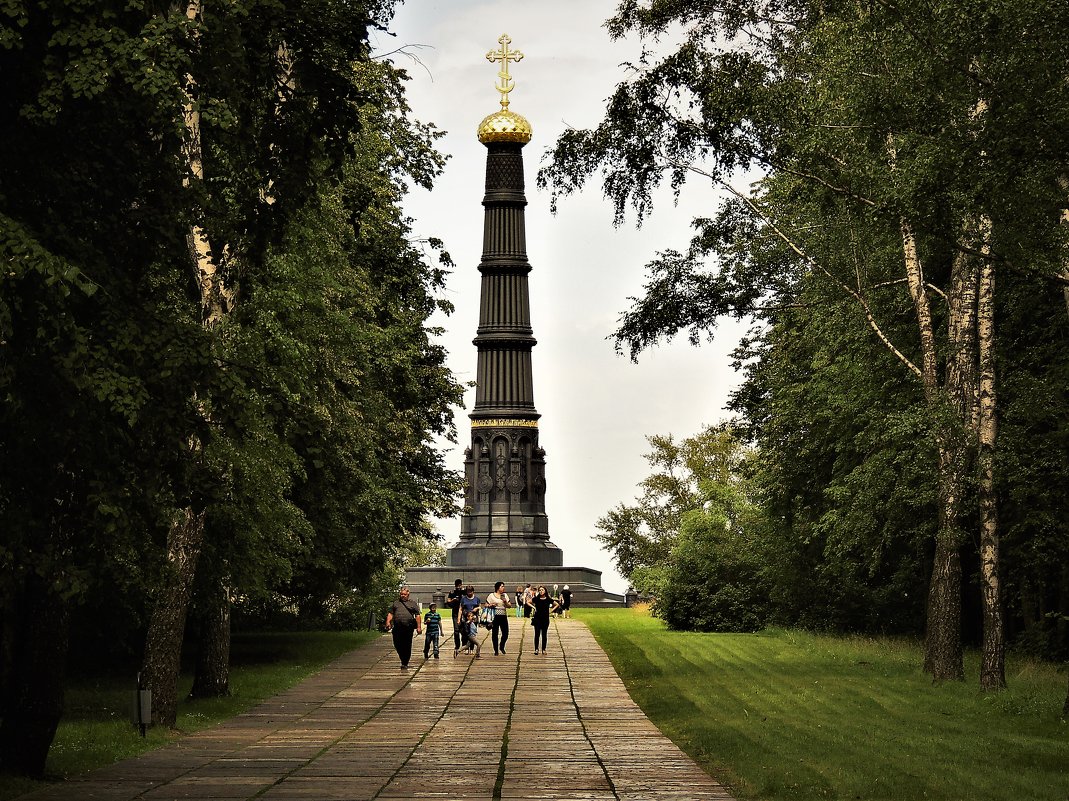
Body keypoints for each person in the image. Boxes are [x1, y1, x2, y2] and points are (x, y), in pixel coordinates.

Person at [385, 586, 422, 670]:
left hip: (408, 627)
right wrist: (388, 622)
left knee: (407, 645)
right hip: (397, 627)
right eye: (401, 594)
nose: (402, 596)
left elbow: (417, 615)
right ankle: (403, 657)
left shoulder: (412, 603)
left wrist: (419, 627)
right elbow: (391, 613)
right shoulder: (396, 603)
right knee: (397, 644)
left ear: (408, 594)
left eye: (404, 594)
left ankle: (405, 662)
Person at [528, 585, 559, 655]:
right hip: (537, 618)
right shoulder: (536, 598)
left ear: (545, 591)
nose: (541, 591)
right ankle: (536, 649)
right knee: (537, 634)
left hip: (545, 618)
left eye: (542, 590)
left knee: (544, 634)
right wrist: (534, 607)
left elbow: (557, 604)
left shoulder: (548, 599)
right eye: (540, 590)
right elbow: (528, 602)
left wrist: (551, 611)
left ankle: (544, 649)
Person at [485, 581, 513, 655]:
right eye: (502, 586)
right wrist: (491, 605)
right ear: (498, 587)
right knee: (495, 634)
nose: (503, 588)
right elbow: (486, 605)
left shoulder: (505, 595)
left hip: (503, 616)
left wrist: (505, 602)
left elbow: (509, 606)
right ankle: (496, 650)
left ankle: (502, 646)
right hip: (495, 616)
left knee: (505, 633)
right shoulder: (491, 595)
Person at [446, 578, 465, 653]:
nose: (459, 587)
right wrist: (453, 600)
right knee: (456, 630)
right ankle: (457, 645)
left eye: (460, 585)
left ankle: (464, 645)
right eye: (458, 585)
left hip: (463, 613)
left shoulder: (464, 592)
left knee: (463, 630)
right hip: (455, 613)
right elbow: (448, 602)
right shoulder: (452, 593)